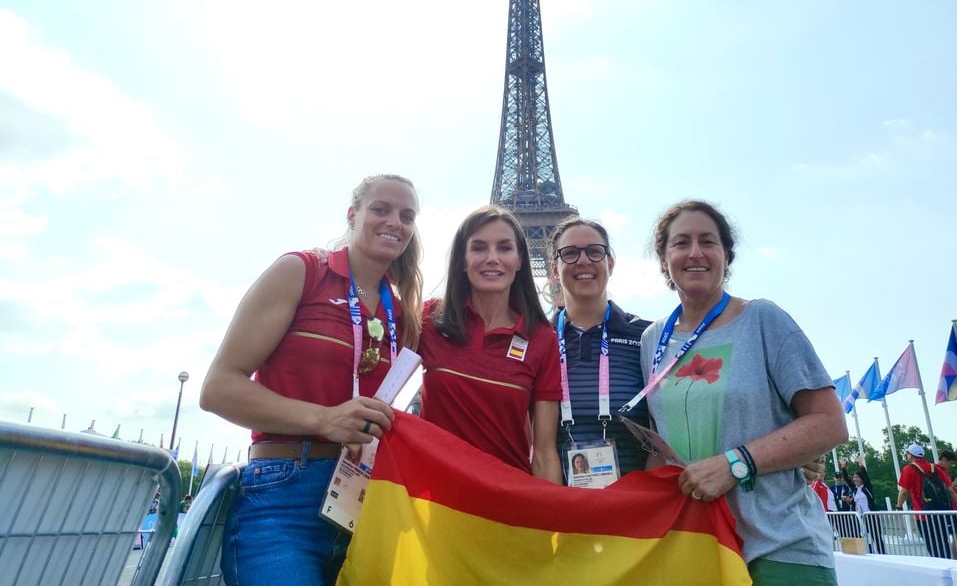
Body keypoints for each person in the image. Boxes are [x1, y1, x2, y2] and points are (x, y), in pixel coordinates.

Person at [200, 174, 424, 586]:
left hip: (370, 502)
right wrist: (324, 420)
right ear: (353, 215)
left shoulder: (404, 312)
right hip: (286, 490)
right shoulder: (301, 272)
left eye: (407, 215)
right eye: (381, 209)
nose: (395, 221)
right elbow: (217, 389)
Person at [640, 200, 847, 586]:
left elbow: (830, 424)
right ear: (664, 258)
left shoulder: (763, 319)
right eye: (681, 242)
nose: (695, 252)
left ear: (726, 255)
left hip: (778, 548)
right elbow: (661, 448)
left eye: (708, 241)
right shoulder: (652, 341)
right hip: (698, 549)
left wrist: (736, 463)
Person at [418, 205, 562, 483]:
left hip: (503, 505)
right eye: (479, 248)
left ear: (521, 259)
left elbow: (544, 453)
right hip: (435, 497)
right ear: (463, 259)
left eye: (505, 248)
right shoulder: (430, 318)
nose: (492, 258)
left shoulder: (542, 340)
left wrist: (552, 524)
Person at [549, 217, 651, 483]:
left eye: (594, 251)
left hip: (636, 510)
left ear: (610, 263)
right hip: (561, 512)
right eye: (570, 253)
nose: (583, 261)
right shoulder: (538, 340)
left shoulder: (648, 336)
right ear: (553, 270)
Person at [897, 443, 957, 559]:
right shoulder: (935, 468)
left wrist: (899, 507)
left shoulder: (909, 469)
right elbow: (950, 490)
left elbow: (904, 492)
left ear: (910, 455)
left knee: (932, 545)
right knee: (943, 542)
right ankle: (948, 564)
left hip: (923, 514)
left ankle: (941, 568)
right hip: (941, 513)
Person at [840, 456, 885, 554]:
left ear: (861, 479)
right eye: (854, 477)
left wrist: (861, 465)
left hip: (870, 516)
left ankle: (882, 553)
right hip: (859, 517)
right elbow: (847, 479)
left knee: (876, 536)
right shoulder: (855, 489)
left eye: (857, 477)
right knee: (860, 536)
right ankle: (865, 553)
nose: (854, 479)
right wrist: (843, 467)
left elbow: (866, 476)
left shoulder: (867, 487)